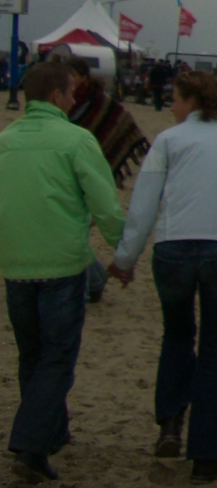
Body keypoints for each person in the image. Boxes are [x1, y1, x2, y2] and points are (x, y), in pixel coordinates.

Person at [109, 70, 217, 483]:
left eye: (176, 98)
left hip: (173, 249)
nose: (170, 106)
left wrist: (125, 257)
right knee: (213, 354)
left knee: (175, 335)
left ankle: (171, 424)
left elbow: (143, 206)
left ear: (194, 102)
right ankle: (208, 455)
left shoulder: (170, 142)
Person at [0, 63, 126, 484]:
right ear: (56, 95)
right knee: (57, 360)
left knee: (32, 356)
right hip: (62, 265)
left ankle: (52, 431)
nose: (75, 99)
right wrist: (123, 251)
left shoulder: (5, 140)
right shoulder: (76, 139)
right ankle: (31, 447)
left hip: (15, 267)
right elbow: (106, 203)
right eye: (71, 92)